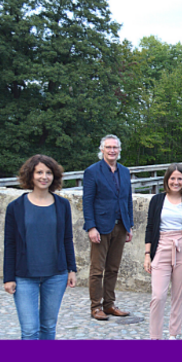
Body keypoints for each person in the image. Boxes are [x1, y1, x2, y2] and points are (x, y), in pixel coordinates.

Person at [3, 155, 77, 340]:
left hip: (56, 276)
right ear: (31, 175)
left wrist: (72, 269)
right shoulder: (16, 207)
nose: (44, 177)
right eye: (39, 172)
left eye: (48, 173)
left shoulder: (62, 205)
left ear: (54, 176)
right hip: (24, 277)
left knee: (48, 328)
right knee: (29, 330)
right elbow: (10, 244)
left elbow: (67, 238)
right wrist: (8, 277)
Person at [144, 164, 182, 339]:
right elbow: (150, 227)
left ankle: (173, 334)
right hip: (161, 246)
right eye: (173, 178)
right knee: (158, 296)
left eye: (179, 179)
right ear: (167, 180)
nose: (176, 182)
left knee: (178, 296)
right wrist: (147, 254)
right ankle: (155, 337)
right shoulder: (157, 200)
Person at [83, 134, 134, 321]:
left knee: (113, 268)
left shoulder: (124, 172)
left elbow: (127, 199)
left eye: (115, 147)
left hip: (120, 226)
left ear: (119, 150)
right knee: (97, 270)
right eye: (108, 147)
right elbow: (87, 202)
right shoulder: (92, 171)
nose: (112, 150)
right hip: (100, 227)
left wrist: (129, 226)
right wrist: (91, 227)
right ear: (102, 149)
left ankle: (109, 305)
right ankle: (96, 307)